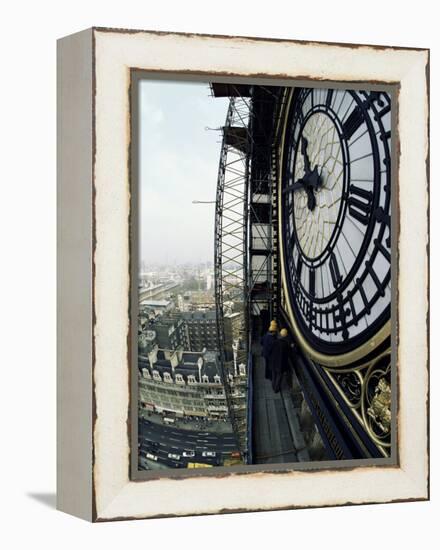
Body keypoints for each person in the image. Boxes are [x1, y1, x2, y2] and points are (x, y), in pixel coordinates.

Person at [271, 328, 292, 393]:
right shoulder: (285, 344)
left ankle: (273, 386)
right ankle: (276, 389)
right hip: (280, 365)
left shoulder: (275, 342)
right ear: (285, 335)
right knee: (279, 377)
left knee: (274, 375)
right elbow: (289, 353)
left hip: (274, 362)